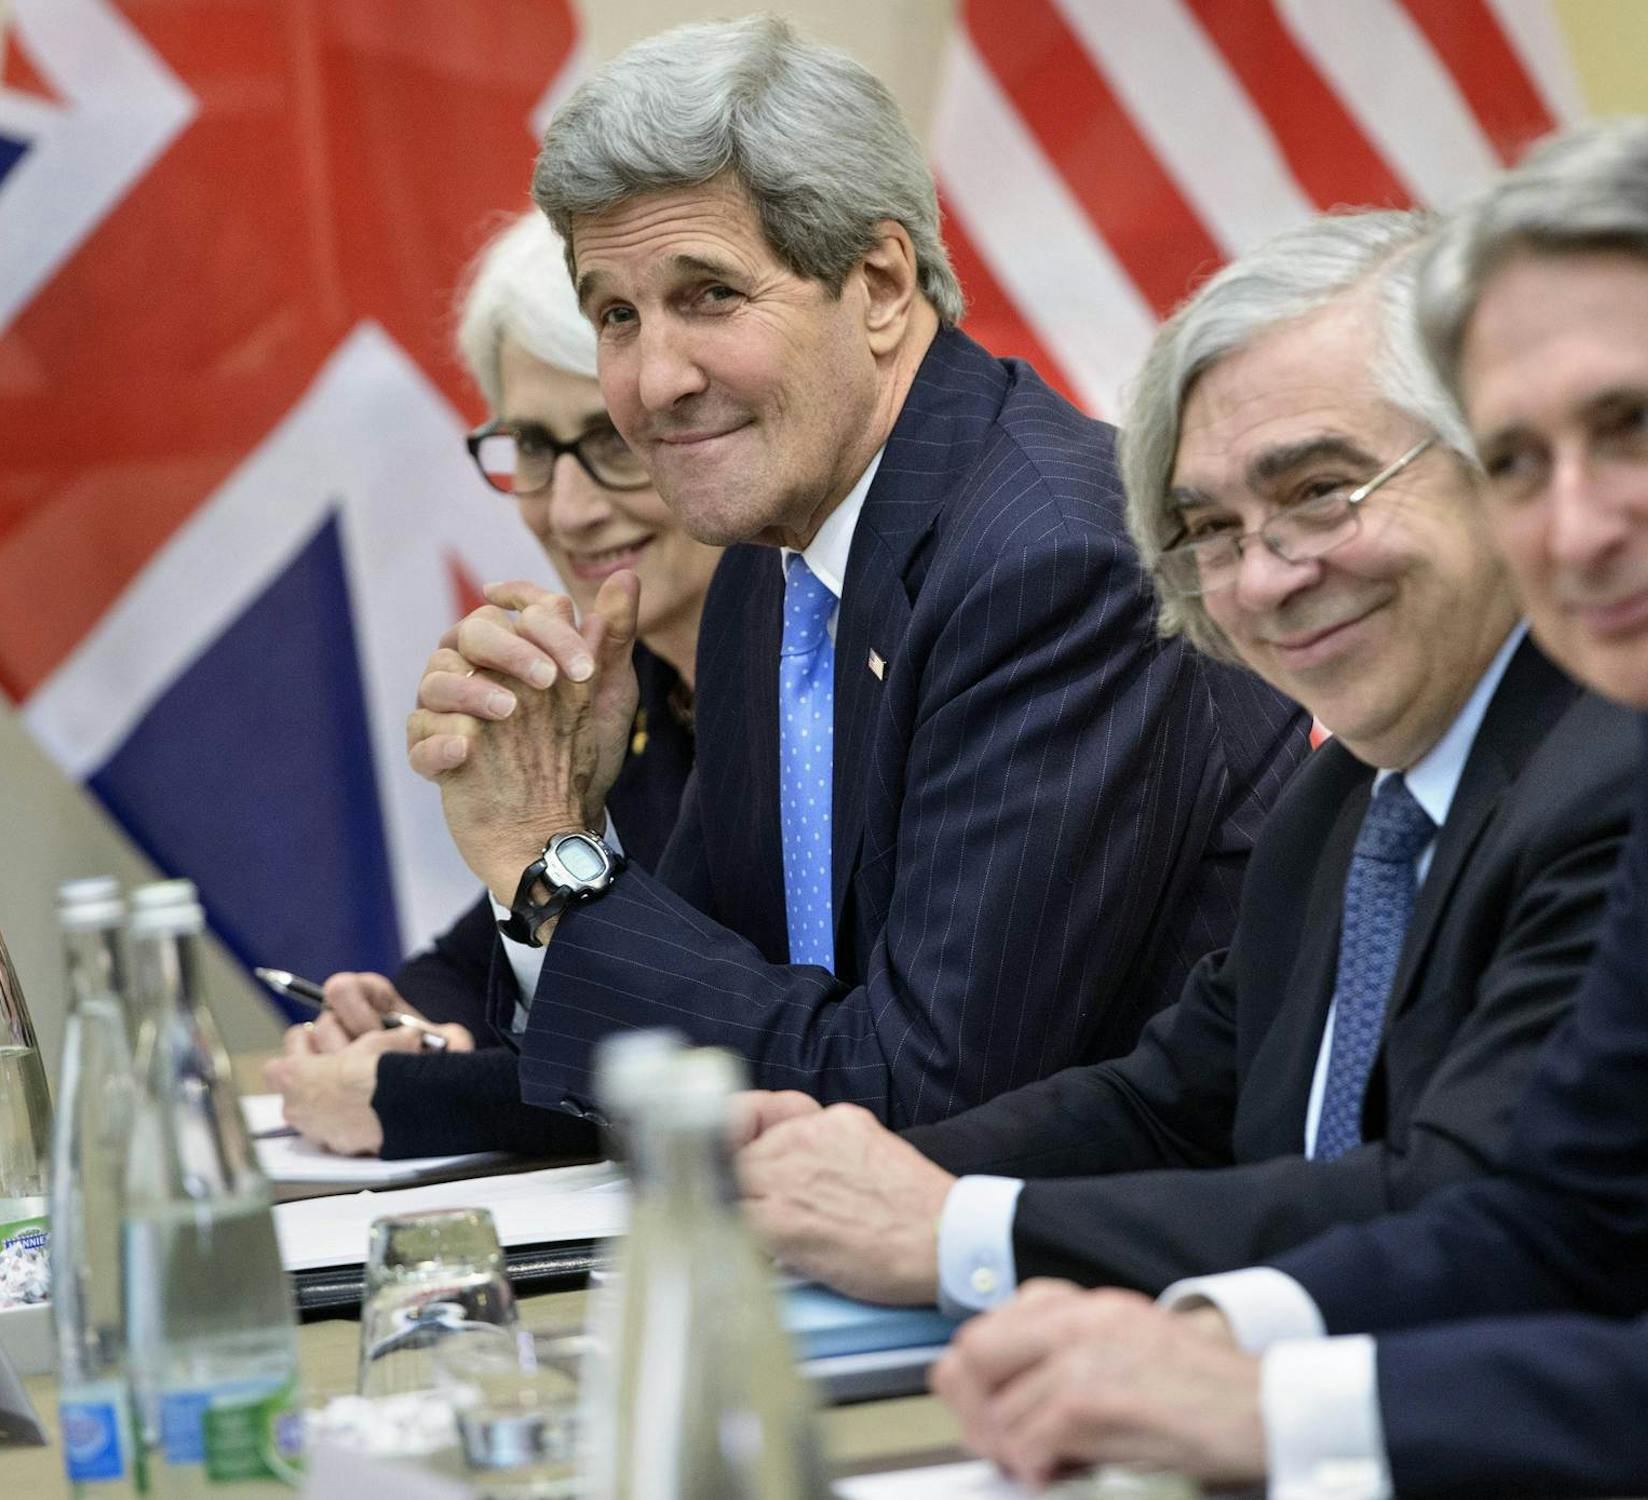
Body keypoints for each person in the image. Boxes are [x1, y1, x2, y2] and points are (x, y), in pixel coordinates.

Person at [932, 117, 1648, 1500]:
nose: (1575, 530)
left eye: (1637, 426)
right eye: (1521, 462)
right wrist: (1219, 1336)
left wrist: (1284, 1413)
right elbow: (1566, 1216)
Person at [401, 16, 1306, 1126]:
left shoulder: (1052, 562)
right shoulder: (769, 565)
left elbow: (920, 1097)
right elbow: (718, 1010)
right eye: (618, 316)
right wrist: (572, 832)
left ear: (879, 283)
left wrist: (547, 865)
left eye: (709, 296)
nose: (654, 379)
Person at [726, 211, 1636, 1308]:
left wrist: (962, 1228)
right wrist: (850, 1165)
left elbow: (1465, 1206)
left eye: (1315, 493)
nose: (1260, 580)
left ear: (1507, 464)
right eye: (1211, 529)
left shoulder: (1628, 778)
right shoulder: (1345, 797)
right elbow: (1170, 1104)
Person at [261, 211, 720, 1158]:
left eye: (616, 439)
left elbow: (737, 1058)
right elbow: (466, 966)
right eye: (537, 448)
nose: (570, 508)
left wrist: (419, 1093)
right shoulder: (639, 702)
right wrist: (407, 1025)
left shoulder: (801, 694)